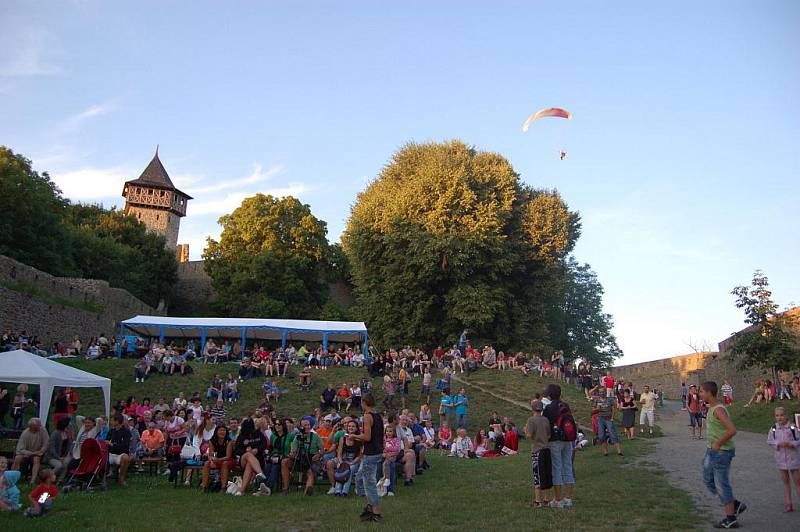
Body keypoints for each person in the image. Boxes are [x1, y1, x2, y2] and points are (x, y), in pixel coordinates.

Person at [700, 381, 746, 529]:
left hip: (721, 451)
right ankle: (734, 504)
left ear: (709, 393)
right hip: (712, 450)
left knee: (721, 483)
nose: (700, 394)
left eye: (702, 391)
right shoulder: (711, 408)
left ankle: (730, 518)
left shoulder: (718, 410)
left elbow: (732, 430)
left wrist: (719, 443)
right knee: (708, 479)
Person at [543, 384, 575, 508]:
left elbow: (546, 426)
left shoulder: (549, 408)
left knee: (556, 468)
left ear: (549, 395)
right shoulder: (565, 405)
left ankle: (558, 500)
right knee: (568, 466)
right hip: (568, 439)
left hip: (555, 440)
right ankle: (568, 498)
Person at [353, 393, 383, 522]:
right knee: (361, 476)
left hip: (370, 453)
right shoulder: (378, 416)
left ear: (364, 402)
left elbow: (367, 437)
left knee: (369, 482)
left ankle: (375, 512)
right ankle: (370, 506)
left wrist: (353, 436)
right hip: (377, 451)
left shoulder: (367, 416)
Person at [767, 406, 800, 512]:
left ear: (786, 416)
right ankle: (788, 503)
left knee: (798, 482)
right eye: (777, 415)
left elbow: (799, 440)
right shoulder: (773, 428)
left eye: (782, 415)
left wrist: (791, 444)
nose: (779, 418)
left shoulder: (792, 428)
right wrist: (778, 444)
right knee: (785, 482)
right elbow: (770, 441)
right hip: (781, 459)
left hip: (793, 458)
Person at [281, 417, 323, 496]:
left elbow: (322, 450)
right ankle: (285, 488)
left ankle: (308, 488)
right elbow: (293, 451)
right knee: (284, 462)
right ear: (301, 427)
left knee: (310, 471)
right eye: (305, 425)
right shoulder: (298, 437)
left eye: (308, 425)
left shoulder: (315, 436)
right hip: (299, 458)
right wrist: (292, 454)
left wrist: (319, 454)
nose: (307, 427)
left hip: (311, 458)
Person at [525, 400, 552, 507]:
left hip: (537, 450)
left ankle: (537, 500)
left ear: (533, 409)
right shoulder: (546, 420)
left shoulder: (531, 420)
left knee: (538, 475)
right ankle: (546, 498)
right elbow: (549, 435)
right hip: (547, 449)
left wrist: (525, 431)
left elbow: (529, 435)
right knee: (546, 473)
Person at [233, 418, 270, 496]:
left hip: (258, 460)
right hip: (244, 459)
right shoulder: (241, 436)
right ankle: (261, 474)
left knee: (249, 464)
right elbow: (236, 450)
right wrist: (245, 451)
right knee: (249, 455)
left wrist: (257, 449)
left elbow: (264, 444)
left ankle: (242, 491)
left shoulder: (258, 434)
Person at [12, 417, 49, 484]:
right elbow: (20, 449)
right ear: (32, 427)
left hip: (38, 453)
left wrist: (41, 451)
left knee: (36, 459)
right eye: (38, 426)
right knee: (17, 458)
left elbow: (46, 444)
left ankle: (32, 480)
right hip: (26, 452)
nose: (40, 427)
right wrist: (30, 453)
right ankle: (13, 478)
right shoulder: (25, 434)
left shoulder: (43, 431)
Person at [334, 420, 363, 496]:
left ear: (356, 428)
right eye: (349, 426)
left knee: (349, 470)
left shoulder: (359, 440)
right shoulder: (342, 439)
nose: (351, 428)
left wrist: (352, 463)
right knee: (340, 469)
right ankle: (337, 491)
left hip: (354, 461)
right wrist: (341, 463)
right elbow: (339, 453)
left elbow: (360, 455)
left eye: (353, 426)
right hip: (343, 460)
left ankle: (344, 491)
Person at [202, 425, 233, 491]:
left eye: (224, 430)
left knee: (224, 464)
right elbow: (210, 455)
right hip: (216, 459)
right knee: (207, 463)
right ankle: (204, 486)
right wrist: (212, 461)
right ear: (216, 432)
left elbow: (228, 456)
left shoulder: (229, 441)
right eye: (220, 430)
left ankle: (223, 487)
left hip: (228, 460)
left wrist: (218, 460)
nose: (222, 432)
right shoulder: (212, 441)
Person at [592, 391, 623, 457]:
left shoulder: (609, 400)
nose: (601, 393)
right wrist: (597, 409)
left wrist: (612, 417)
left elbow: (613, 408)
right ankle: (605, 452)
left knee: (613, 434)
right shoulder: (597, 400)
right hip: (600, 418)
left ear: (605, 393)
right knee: (601, 435)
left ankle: (619, 451)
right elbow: (593, 410)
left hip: (608, 418)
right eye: (600, 392)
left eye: (602, 392)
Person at [107, 414, 131, 486]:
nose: (111, 422)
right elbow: (106, 441)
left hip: (120, 454)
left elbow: (125, 446)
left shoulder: (126, 431)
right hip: (110, 453)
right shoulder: (111, 431)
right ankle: (101, 478)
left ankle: (121, 479)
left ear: (117, 421)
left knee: (126, 458)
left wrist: (113, 445)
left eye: (112, 420)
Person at [46, 417, 72, 482]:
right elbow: (51, 448)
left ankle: (60, 480)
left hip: (64, 456)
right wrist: (58, 457)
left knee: (66, 463)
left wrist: (68, 454)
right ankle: (47, 477)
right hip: (53, 457)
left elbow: (69, 445)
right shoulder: (55, 434)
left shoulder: (67, 433)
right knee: (59, 465)